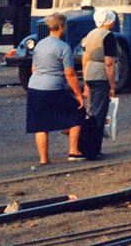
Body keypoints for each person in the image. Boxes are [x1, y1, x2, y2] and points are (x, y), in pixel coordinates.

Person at [26, 12, 85, 164]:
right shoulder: (63, 47)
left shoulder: (39, 45)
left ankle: (44, 159)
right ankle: (73, 151)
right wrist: (78, 94)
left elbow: (33, 68)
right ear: (60, 26)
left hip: (34, 87)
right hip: (54, 88)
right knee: (77, 113)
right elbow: (70, 73)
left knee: (40, 123)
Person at [81, 8, 118, 157]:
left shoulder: (89, 35)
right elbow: (109, 63)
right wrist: (112, 85)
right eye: (113, 19)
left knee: (91, 110)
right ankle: (93, 149)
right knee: (99, 113)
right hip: (101, 75)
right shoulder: (108, 36)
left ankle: (86, 146)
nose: (114, 22)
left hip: (90, 73)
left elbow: (84, 59)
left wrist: (84, 81)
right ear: (108, 21)